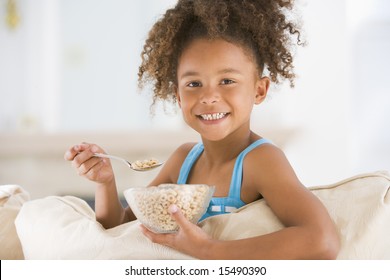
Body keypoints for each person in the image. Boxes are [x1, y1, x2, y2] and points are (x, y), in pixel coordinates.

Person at [64, 0, 340, 259]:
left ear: (259, 89)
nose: (209, 97)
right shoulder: (183, 160)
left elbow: (322, 241)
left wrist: (208, 250)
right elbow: (120, 228)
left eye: (227, 80)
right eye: (194, 84)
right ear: (178, 95)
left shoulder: (261, 161)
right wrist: (105, 182)